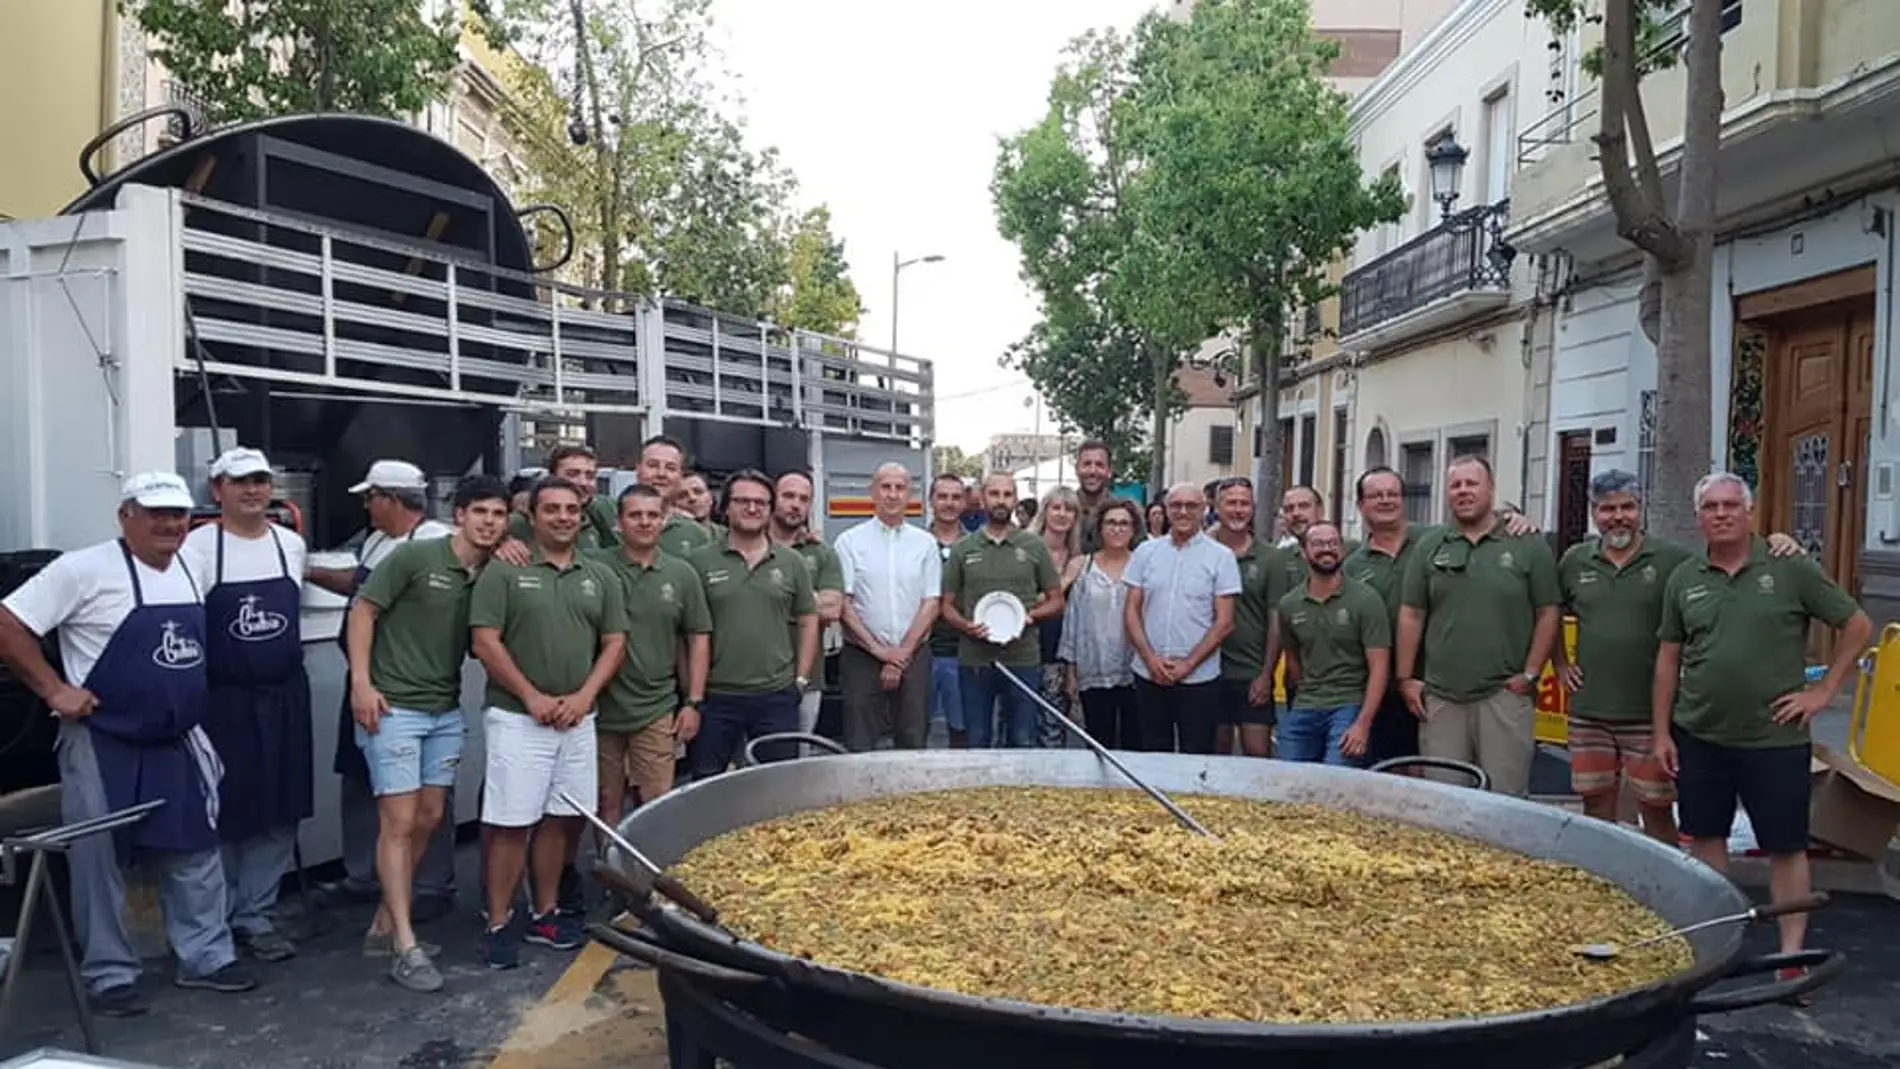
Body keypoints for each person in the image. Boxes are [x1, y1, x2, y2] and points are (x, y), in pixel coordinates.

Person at [0, 473, 256, 1015]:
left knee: (194, 848)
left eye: (178, 514)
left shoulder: (192, 566)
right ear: (126, 516)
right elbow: (7, 622)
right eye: (155, 513)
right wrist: (53, 688)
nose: (169, 525)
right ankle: (109, 973)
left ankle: (206, 958)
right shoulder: (82, 569)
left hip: (179, 740)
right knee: (99, 860)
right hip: (103, 739)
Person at [1655, 472, 1869, 977]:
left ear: (1749, 512)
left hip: (1775, 739)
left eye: (1732, 505)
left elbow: (1857, 625)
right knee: (1705, 840)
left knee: (1786, 846)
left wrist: (1823, 692)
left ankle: (1791, 955)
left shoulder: (1789, 568)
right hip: (1701, 735)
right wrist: (1662, 731)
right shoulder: (1685, 579)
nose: (1722, 513)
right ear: (1699, 517)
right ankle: (1717, 945)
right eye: (1711, 507)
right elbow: (1668, 658)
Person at [1560, 470, 1802, 841]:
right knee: (1595, 806)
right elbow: (1545, 609)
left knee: (1656, 806)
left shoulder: (1674, 560)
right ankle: (1603, 884)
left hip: (1651, 713)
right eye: (1608, 509)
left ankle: (1665, 885)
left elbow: (1727, 561)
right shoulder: (1575, 561)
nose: (1618, 516)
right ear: (1594, 514)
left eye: (1628, 506)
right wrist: (1559, 662)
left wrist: (1778, 543)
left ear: (1641, 510)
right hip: (1590, 708)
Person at [346, 476, 510, 991]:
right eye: (479, 511)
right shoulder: (415, 558)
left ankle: (382, 923)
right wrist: (362, 685)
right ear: (458, 514)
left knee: (430, 817)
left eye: (499, 514)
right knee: (397, 820)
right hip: (393, 708)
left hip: (443, 709)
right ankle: (405, 945)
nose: (489, 522)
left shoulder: (491, 573)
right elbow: (363, 611)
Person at [470, 476, 629, 969]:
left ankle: (545, 912)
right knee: (512, 822)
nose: (563, 517)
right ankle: (498, 921)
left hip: (578, 719)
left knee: (563, 821)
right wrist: (531, 695)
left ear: (582, 515)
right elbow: (485, 641)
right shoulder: (505, 571)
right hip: (519, 719)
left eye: (571, 509)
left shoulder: (598, 574)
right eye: (552, 509)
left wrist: (584, 697)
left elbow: (615, 642)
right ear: (533, 517)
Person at [306, 460, 458, 922]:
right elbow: (357, 585)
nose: (367, 506)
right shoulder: (375, 540)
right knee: (358, 779)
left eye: (371, 497)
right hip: (364, 681)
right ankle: (363, 876)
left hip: (408, 687)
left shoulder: (435, 542)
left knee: (423, 795)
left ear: (391, 499)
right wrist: (306, 571)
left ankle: (429, 884)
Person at [180, 448, 310, 964]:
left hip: (284, 696)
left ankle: (257, 915)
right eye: (240, 483)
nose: (252, 491)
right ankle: (220, 918)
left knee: (281, 808)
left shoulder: (291, 545)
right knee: (228, 809)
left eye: (259, 481)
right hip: (224, 700)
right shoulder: (198, 547)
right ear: (218, 491)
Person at [1396, 455, 1561, 796]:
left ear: (1491, 489)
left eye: (1472, 483)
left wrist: (1531, 672)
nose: (1463, 491)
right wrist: (1406, 678)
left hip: (1504, 694)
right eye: (1455, 485)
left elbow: (1548, 612)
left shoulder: (1527, 544)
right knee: (1444, 800)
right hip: (1440, 698)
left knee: (1506, 801)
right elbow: (1411, 613)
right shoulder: (1430, 545)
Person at [588, 484, 711, 821]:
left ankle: (644, 874)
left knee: (656, 802)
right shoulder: (593, 567)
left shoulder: (681, 574)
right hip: (599, 707)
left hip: (655, 706)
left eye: (652, 515)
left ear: (665, 520)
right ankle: (609, 870)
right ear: (619, 522)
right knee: (605, 802)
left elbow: (697, 637)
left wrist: (693, 703)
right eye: (635, 515)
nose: (645, 522)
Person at [685, 470, 820, 772]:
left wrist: (800, 679)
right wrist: (692, 696)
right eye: (742, 501)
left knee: (778, 787)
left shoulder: (791, 562)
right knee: (708, 784)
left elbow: (808, 618)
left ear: (770, 509)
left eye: (760, 502)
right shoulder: (698, 562)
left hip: (777, 696)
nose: (752, 508)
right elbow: (689, 634)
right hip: (716, 698)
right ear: (725, 507)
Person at [940, 473, 1065, 748]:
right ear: (982, 498)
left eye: (1007, 494)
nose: (1001, 500)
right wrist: (965, 626)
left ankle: (1019, 792)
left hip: (1023, 658)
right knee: (977, 738)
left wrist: (1029, 617)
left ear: (1015, 500)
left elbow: (1056, 601)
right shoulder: (963, 549)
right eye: (994, 494)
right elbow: (946, 606)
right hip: (975, 660)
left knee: (1022, 738)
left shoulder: (1034, 546)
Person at [1124, 482, 1242, 754]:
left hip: (1199, 677)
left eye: (1191, 506)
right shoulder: (1146, 552)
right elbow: (1131, 610)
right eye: (1176, 505)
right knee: (1153, 752)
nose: (1183, 512)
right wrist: (1150, 659)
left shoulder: (1221, 557)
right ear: (1166, 510)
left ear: (1204, 510)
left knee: (1197, 754)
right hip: (1149, 673)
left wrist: (1188, 664)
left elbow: (1225, 622)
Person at [835, 463, 941, 751]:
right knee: (859, 739)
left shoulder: (925, 544)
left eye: (900, 487)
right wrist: (879, 651)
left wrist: (902, 653)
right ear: (873, 492)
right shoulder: (849, 542)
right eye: (886, 487)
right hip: (862, 655)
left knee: (913, 736)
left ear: (910, 494)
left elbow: (931, 602)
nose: (892, 495)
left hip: (914, 654)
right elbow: (844, 604)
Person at [1270, 522, 1390, 765]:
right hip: (1306, 703)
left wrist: (1363, 724)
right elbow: (1293, 659)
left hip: (1349, 705)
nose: (1327, 549)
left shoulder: (1366, 599)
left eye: (1333, 543)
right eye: (1318, 544)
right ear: (1303, 552)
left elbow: (1379, 668)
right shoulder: (1289, 604)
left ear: (1343, 550)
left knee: (1336, 781)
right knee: (1287, 780)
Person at [1058, 498, 1141, 749]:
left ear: (1134, 529)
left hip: (1136, 671)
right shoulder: (1084, 566)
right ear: (1100, 528)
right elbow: (1073, 620)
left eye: (1124, 523)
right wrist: (1071, 673)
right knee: (1098, 744)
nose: (1117, 529)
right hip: (1093, 669)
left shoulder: (1145, 564)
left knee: (1135, 743)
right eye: (1111, 522)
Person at [1206, 477, 1280, 757]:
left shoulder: (1271, 558)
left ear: (1253, 508)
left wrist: (1266, 674)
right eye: (1231, 503)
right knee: (1215, 752)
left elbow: (1276, 621)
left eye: (1244, 503)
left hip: (1251, 672)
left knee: (1257, 754)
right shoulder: (1203, 553)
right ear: (1217, 507)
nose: (1238, 510)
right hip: (1209, 669)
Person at [772, 471, 843, 734]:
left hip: (807, 678)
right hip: (750, 682)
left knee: (800, 757)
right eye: (788, 496)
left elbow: (832, 609)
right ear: (772, 498)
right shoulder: (753, 546)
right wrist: (809, 602)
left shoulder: (821, 553)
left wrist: (775, 599)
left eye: (803, 499)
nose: (795, 504)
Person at [1029, 486, 1087, 747]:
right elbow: (1023, 600)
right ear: (1045, 511)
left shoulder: (1078, 557)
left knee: (1054, 732)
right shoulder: (1026, 549)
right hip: (1027, 650)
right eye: (1056, 507)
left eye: (1069, 509)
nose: (1062, 514)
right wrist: (1064, 581)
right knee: (1022, 728)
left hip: (1062, 655)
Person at [925, 474, 971, 747]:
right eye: (942, 496)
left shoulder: (977, 545)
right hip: (922, 653)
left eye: (955, 497)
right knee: (917, 729)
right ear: (931, 501)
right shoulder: (914, 543)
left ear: (964, 502)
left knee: (962, 731)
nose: (949, 503)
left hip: (963, 652)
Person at [507, 445, 618, 549]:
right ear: (552, 477)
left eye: (590, 476)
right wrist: (503, 543)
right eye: (572, 474)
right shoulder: (521, 521)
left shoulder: (604, 508)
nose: (583, 482)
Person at [638, 436, 714, 558]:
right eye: (653, 465)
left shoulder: (695, 533)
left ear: (680, 475)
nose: (661, 474)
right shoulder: (610, 515)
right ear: (638, 469)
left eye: (670, 468)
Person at [1073, 439, 1114, 552]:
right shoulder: (1063, 509)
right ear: (1076, 469)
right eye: (1087, 464)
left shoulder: (1124, 512)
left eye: (1099, 465)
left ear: (1109, 471)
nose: (1092, 471)